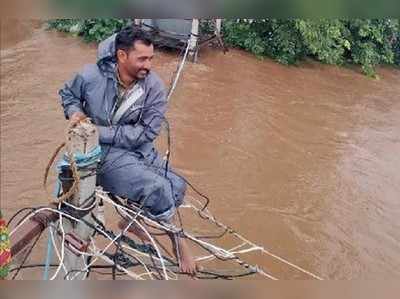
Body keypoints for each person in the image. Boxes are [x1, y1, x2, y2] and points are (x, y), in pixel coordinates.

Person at [59, 26, 197, 275]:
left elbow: (146, 133)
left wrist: (100, 131)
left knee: (178, 185)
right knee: (157, 188)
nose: (149, 65)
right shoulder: (91, 76)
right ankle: (180, 244)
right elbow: (68, 94)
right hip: (100, 155)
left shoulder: (153, 87)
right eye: (142, 59)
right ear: (122, 56)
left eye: (151, 58)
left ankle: (133, 221)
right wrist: (75, 113)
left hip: (137, 148)